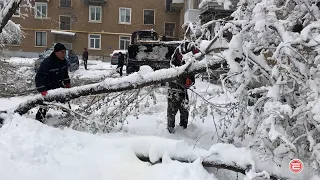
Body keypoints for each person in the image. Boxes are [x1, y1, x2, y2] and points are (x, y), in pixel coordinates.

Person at [167, 41, 199, 134]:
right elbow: (173, 76)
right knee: (171, 113)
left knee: (185, 112)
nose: (184, 58)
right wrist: (182, 81)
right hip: (173, 91)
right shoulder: (173, 62)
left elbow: (192, 78)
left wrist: (190, 82)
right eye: (182, 55)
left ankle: (184, 131)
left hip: (183, 92)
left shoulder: (189, 61)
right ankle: (170, 132)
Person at [35, 43, 71, 122]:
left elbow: (65, 74)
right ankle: (39, 118)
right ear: (56, 52)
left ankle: (69, 115)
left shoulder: (64, 62)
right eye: (62, 52)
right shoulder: (47, 63)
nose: (64, 54)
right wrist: (42, 90)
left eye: (65, 52)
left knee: (65, 98)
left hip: (58, 85)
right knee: (45, 103)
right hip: (47, 86)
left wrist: (67, 83)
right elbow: (39, 77)